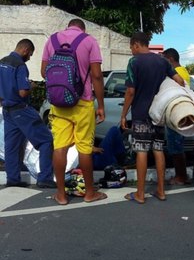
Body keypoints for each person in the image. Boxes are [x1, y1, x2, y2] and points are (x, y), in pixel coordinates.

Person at [41, 18, 106, 205]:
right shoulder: (89, 41)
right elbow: (96, 75)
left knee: (59, 147)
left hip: (58, 104)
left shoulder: (51, 40)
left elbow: (44, 71)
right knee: (84, 148)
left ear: (67, 26)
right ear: (82, 28)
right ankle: (90, 193)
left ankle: (61, 195)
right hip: (83, 102)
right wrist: (100, 105)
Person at [121, 32, 184, 204]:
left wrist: (124, 114)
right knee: (158, 150)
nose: (131, 51)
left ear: (135, 44)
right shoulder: (163, 61)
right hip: (159, 114)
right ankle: (161, 191)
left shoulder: (134, 62)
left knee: (141, 151)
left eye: (131, 47)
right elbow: (180, 81)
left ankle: (140, 194)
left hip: (141, 114)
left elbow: (130, 91)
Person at [0, 39, 55, 188]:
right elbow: (23, 92)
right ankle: (45, 178)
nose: (29, 57)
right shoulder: (20, 65)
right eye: (30, 54)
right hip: (22, 110)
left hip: (7, 110)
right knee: (46, 140)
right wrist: (32, 86)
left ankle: (13, 179)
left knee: (12, 146)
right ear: (25, 50)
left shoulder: (2, 62)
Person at [162, 48, 191, 185]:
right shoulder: (183, 71)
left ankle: (181, 177)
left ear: (170, 59)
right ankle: (181, 175)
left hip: (176, 114)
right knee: (177, 146)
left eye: (164, 60)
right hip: (182, 113)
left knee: (176, 147)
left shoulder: (177, 73)